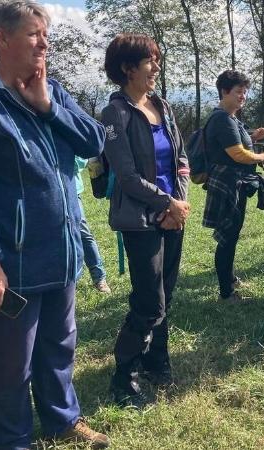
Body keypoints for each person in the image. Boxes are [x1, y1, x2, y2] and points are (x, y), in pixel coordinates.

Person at [0, 1, 109, 448]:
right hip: (11, 261)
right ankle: (12, 438)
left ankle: (62, 420)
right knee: (10, 360)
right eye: (35, 33)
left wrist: (49, 106)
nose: (44, 42)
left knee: (59, 344)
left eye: (45, 33)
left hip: (62, 249)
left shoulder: (50, 87)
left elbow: (94, 140)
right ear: (3, 38)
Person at [100, 32, 191, 408]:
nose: (156, 67)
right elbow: (126, 176)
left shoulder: (164, 107)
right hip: (140, 220)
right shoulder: (113, 114)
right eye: (149, 61)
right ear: (127, 68)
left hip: (173, 215)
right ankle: (124, 378)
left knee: (165, 296)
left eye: (156, 59)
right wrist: (166, 203)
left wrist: (179, 204)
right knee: (148, 302)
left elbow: (182, 160)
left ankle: (157, 362)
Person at [202, 70, 264, 302]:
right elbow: (237, 154)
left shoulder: (229, 118)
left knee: (231, 232)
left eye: (245, 92)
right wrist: (262, 157)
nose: (243, 96)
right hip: (228, 184)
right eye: (238, 92)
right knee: (228, 236)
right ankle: (226, 292)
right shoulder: (222, 118)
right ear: (224, 92)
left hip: (234, 183)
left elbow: (234, 144)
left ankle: (229, 279)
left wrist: (254, 137)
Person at [74, 156, 111, 294]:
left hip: (70, 188)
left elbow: (82, 159)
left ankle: (99, 277)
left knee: (83, 232)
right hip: (44, 190)